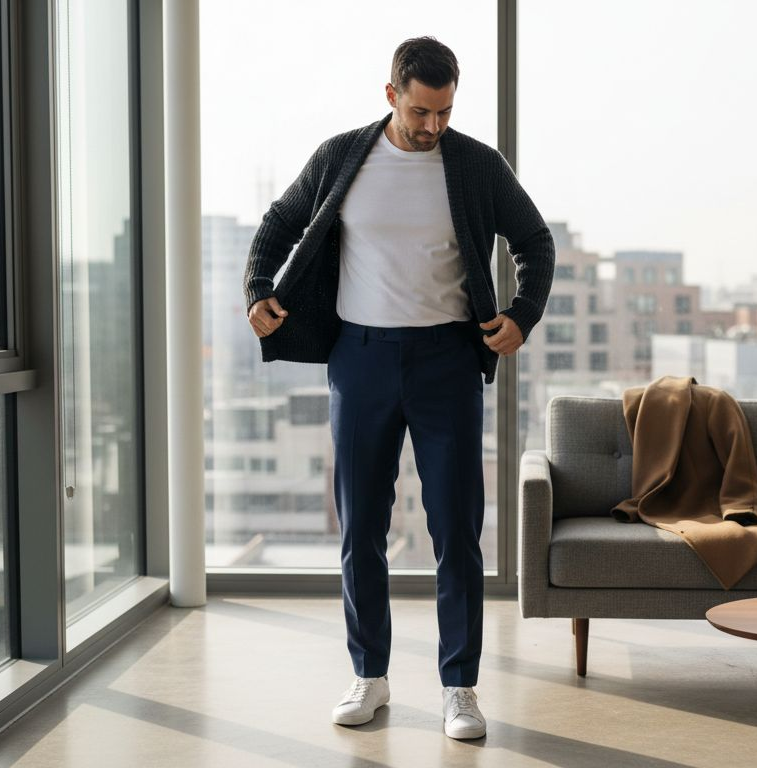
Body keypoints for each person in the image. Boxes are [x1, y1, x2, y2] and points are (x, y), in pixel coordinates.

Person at [243, 36, 554, 740]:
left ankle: (460, 688)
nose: (433, 125)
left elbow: (535, 241)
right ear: (392, 95)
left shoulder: (476, 164)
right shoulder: (341, 157)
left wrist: (522, 314)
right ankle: (370, 676)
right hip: (360, 359)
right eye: (420, 112)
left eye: (445, 112)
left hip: (448, 361)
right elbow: (278, 224)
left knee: (456, 530)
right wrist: (257, 289)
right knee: (361, 528)